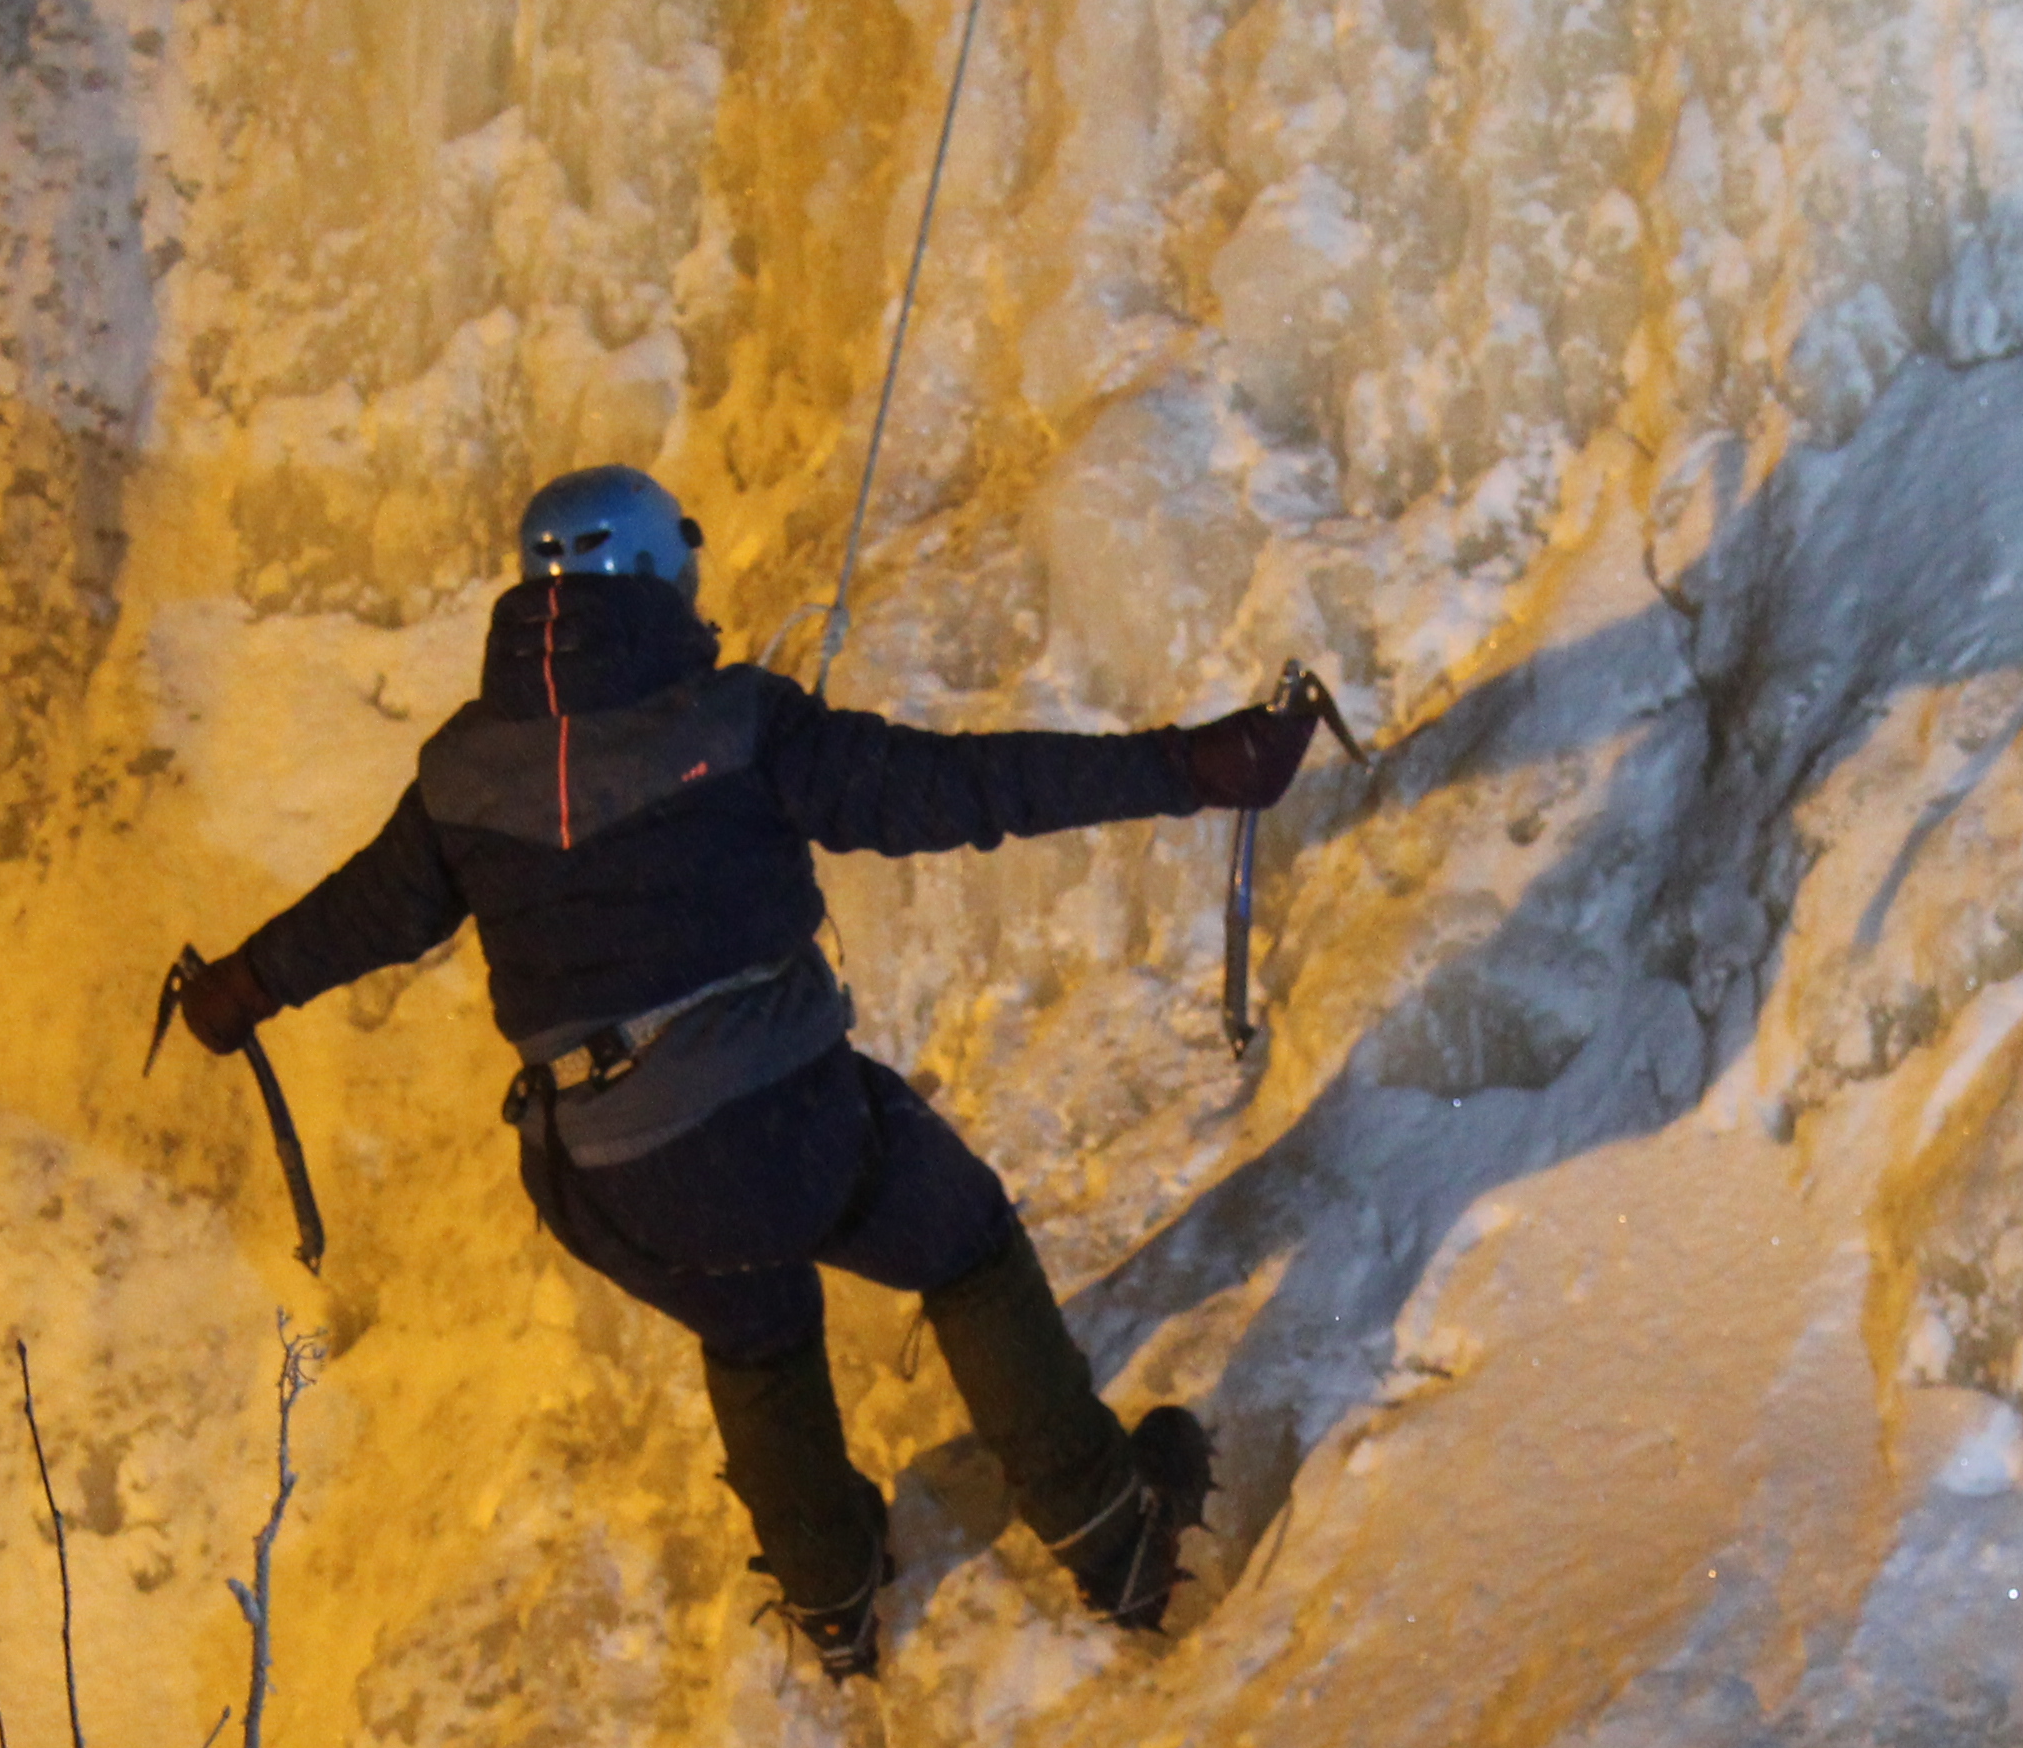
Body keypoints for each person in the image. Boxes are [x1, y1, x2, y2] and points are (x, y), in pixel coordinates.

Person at [170, 464, 1318, 1676]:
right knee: (963, 1245)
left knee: (754, 1323)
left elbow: (364, 915)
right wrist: (1186, 768)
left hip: (598, 1181)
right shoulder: (736, 723)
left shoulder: (462, 772)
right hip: (778, 1125)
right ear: (663, 578)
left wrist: (239, 987)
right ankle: (1115, 1538)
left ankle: (830, 1594)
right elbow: (962, 789)